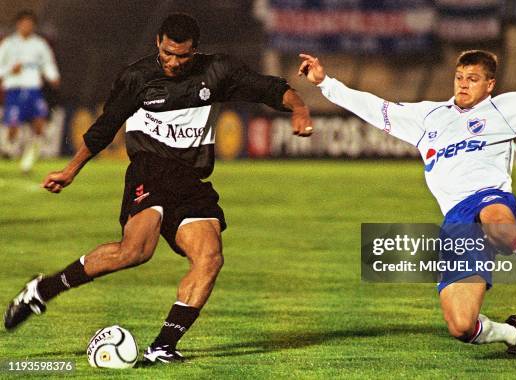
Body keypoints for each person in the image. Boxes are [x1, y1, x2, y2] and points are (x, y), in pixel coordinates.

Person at [4, 13, 313, 365]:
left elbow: (270, 88)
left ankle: (162, 347)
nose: (173, 62)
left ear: (195, 51)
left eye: (182, 56)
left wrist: (299, 107)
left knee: (210, 258)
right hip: (149, 169)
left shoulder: (217, 72)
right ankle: (42, 290)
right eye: (167, 53)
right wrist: (71, 169)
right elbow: (107, 125)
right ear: (158, 44)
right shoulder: (137, 77)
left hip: (191, 180)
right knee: (136, 250)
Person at [298, 50, 516, 359]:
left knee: (499, 224)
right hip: (456, 222)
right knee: (462, 326)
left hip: (491, 197)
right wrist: (325, 82)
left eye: (472, 79)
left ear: (489, 84)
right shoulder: (428, 117)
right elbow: (376, 108)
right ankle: (513, 334)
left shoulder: (508, 108)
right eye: (459, 78)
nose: (463, 85)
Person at [0, 10, 60, 173]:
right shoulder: (8, 44)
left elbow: (47, 63)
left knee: (40, 124)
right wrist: (10, 69)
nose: (27, 26)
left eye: (30, 23)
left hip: (34, 89)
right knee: (12, 127)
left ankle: (28, 160)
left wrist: (53, 76)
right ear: (18, 24)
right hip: (14, 90)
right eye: (24, 23)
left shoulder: (39, 44)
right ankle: (8, 152)